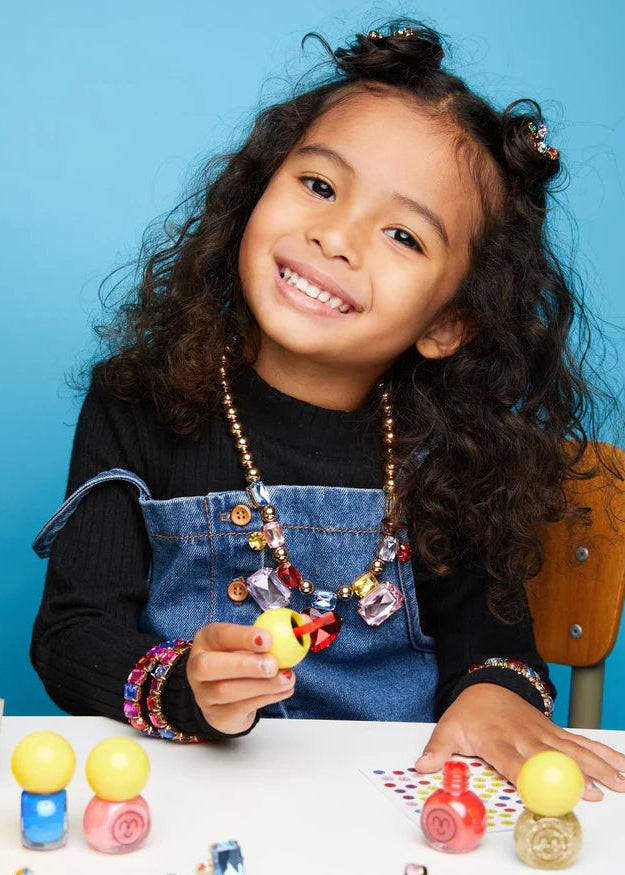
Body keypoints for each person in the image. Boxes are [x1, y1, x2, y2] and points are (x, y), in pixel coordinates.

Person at [31, 19, 625, 800]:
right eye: (318, 185)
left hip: (388, 806)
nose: (336, 237)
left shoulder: (454, 452)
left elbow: (493, 645)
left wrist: (492, 689)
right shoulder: (136, 399)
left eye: (403, 235)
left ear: (448, 321)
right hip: (188, 794)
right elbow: (73, 633)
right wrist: (183, 687)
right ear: (256, 190)